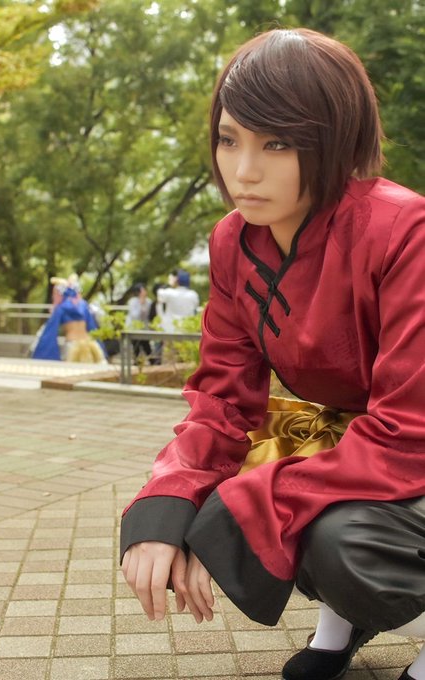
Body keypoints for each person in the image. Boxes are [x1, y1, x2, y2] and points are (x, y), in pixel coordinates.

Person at [120, 28, 425, 680]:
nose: (243, 171)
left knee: (334, 535)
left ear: (334, 141)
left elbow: (409, 433)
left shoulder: (405, 231)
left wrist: (243, 512)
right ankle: (340, 625)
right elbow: (222, 400)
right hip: (361, 436)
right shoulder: (232, 242)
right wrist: (165, 508)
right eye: (229, 139)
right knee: (262, 494)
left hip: (411, 442)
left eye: (277, 143)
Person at [32, 274, 106, 362]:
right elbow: (92, 327)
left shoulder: (61, 307)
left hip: (72, 345)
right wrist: (100, 344)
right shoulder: (83, 305)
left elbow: (51, 329)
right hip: (89, 343)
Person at [157, 269, 200, 333]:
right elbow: (196, 306)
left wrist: (170, 283)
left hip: (170, 330)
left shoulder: (169, 293)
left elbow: (159, 293)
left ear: (176, 281)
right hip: (187, 329)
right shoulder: (193, 295)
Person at [126, 283, 153, 363]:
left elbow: (148, 315)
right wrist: (141, 305)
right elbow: (135, 316)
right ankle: (137, 361)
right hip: (134, 327)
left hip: (144, 328)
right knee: (136, 346)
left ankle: (152, 361)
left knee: (146, 345)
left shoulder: (149, 302)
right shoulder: (132, 302)